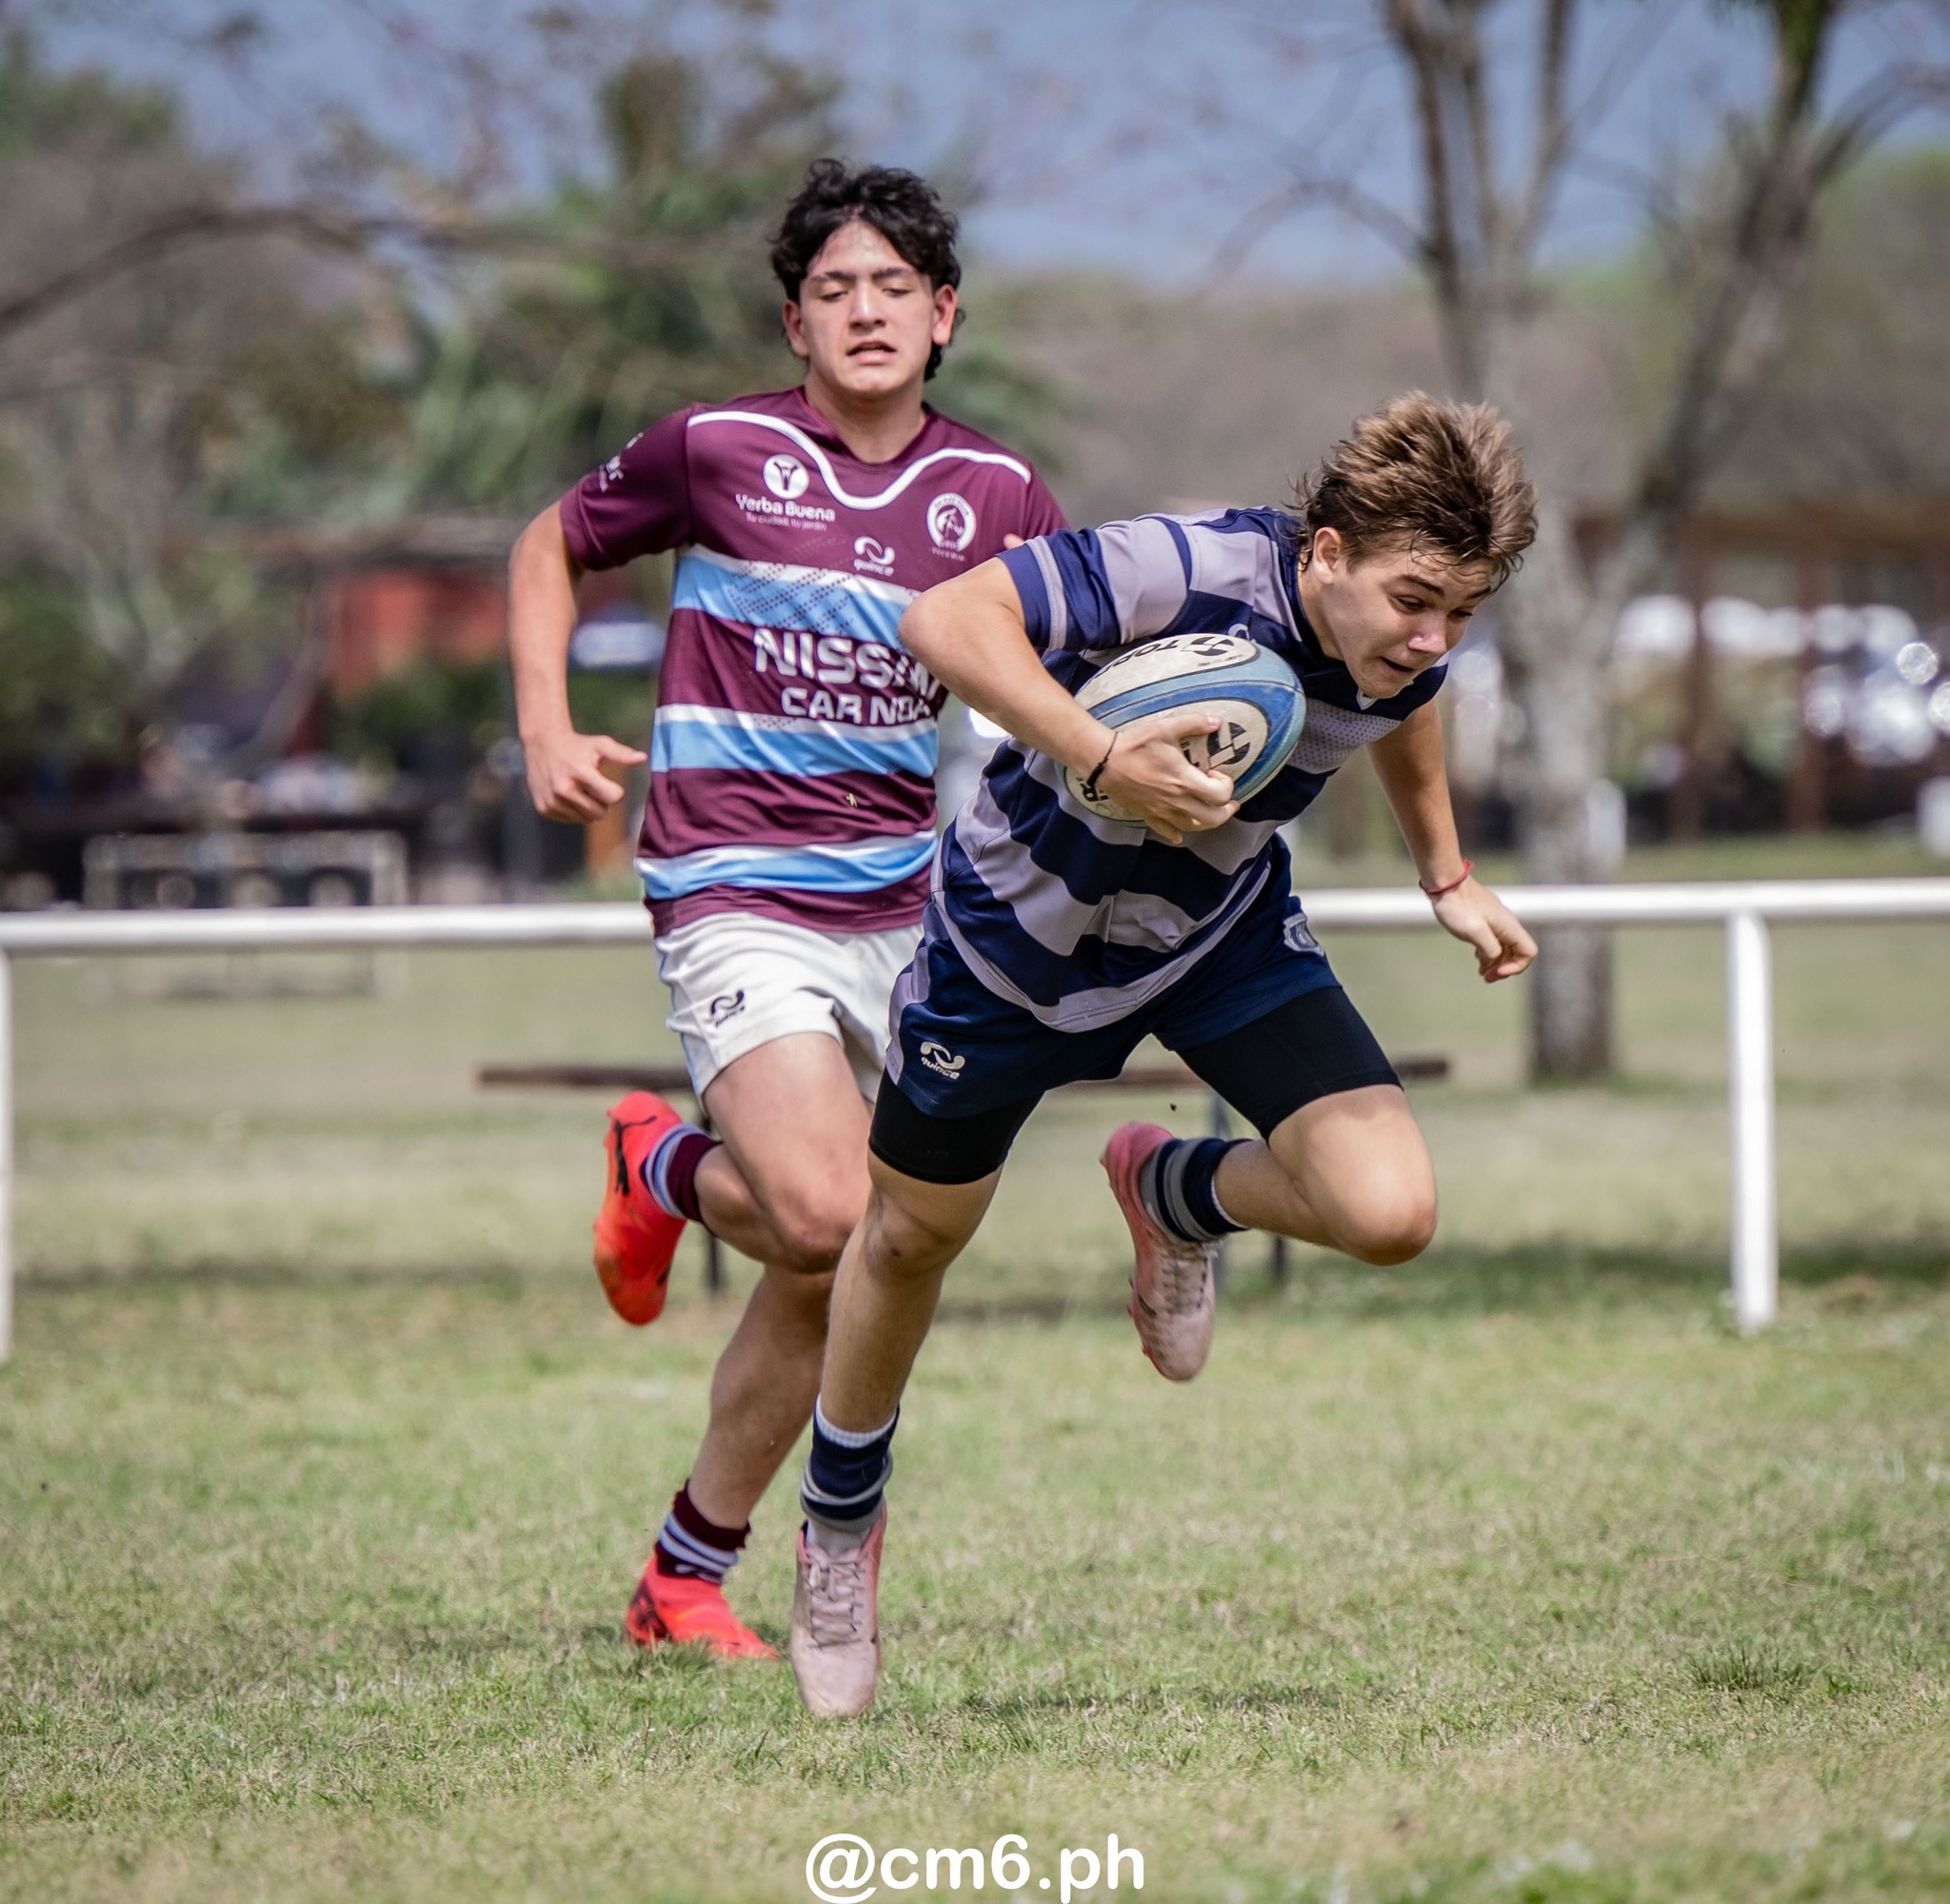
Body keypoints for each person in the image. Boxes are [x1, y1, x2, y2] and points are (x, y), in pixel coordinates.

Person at [783, 393, 1542, 1716]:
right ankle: (840, 1530)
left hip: (1213, 938)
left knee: (1390, 1211)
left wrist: (1447, 873)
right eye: (1415, 600)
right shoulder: (1184, 568)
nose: (1434, 639)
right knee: (908, 1238)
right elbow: (946, 620)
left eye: (1463, 613)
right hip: (1014, 944)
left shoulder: (1403, 650)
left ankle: (1174, 1193)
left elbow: (1409, 705)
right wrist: (1101, 752)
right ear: (1326, 552)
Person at [506, 161, 1065, 1661]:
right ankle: (671, 1161)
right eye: (834, 290)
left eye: (895, 287)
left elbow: (1050, 679)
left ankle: (683, 1580)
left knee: (864, 1253)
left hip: (906, 902)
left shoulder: (998, 497)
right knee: (828, 1216)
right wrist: (547, 727)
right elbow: (547, 544)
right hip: (734, 880)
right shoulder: (719, 450)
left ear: (945, 316)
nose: (866, 311)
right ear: (794, 323)